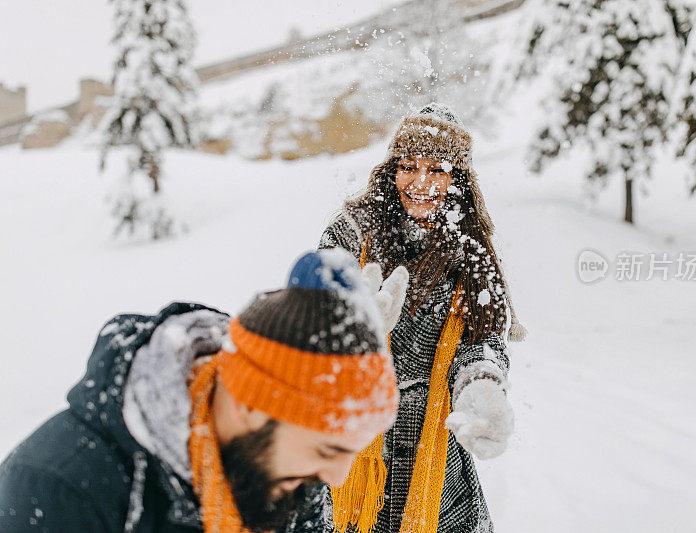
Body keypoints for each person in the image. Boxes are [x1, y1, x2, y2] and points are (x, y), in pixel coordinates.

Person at [0, 249, 409, 533]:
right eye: (327, 450)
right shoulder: (59, 488)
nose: (338, 480)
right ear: (249, 406)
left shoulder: (289, 476)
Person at [319, 103, 526, 533]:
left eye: (437, 170)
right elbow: (306, 311)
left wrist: (482, 382)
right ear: (391, 169)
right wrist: (348, 326)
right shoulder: (351, 233)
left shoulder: (472, 254)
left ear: (459, 180)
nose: (420, 183)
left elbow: (482, 341)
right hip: (353, 440)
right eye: (408, 166)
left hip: (434, 451)